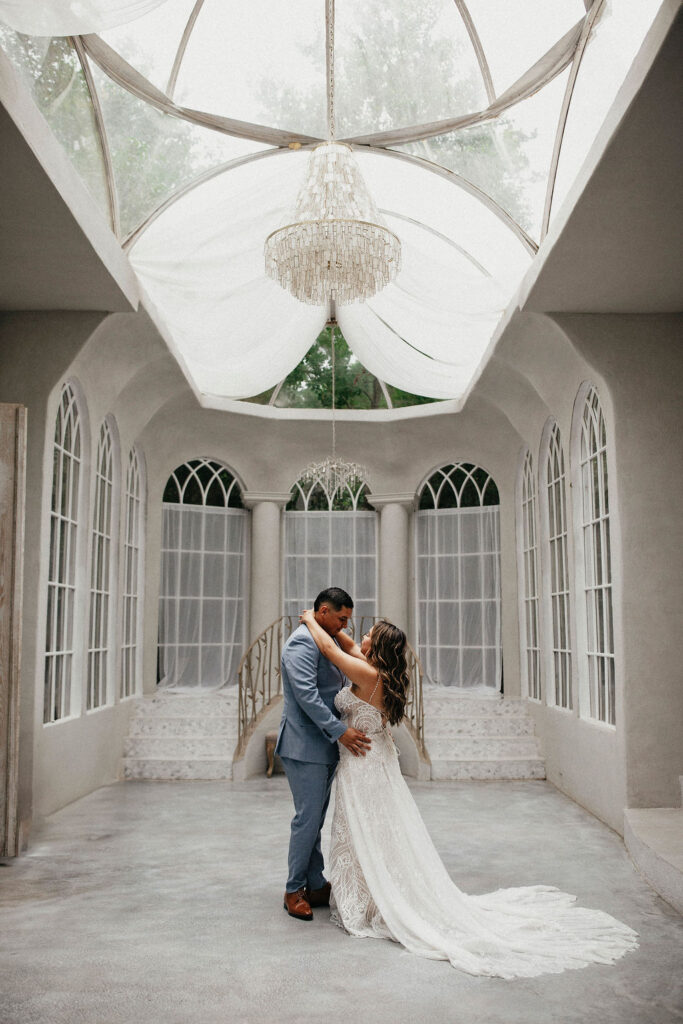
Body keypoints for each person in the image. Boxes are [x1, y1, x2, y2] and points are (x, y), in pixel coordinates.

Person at [299, 611, 639, 980]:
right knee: (374, 834)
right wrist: (335, 628)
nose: (360, 636)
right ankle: (369, 893)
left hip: (364, 768)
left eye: (368, 634)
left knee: (368, 832)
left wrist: (310, 619)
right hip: (372, 763)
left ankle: (373, 899)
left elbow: (330, 651)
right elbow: (348, 645)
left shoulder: (367, 675)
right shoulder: (377, 671)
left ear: (377, 647)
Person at [276, 587, 372, 922]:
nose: (346, 626)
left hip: (324, 746)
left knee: (315, 819)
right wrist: (340, 731)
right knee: (306, 820)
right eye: (342, 619)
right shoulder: (301, 643)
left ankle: (315, 884)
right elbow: (306, 695)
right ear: (324, 611)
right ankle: (294, 889)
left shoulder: (324, 636)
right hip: (305, 746)